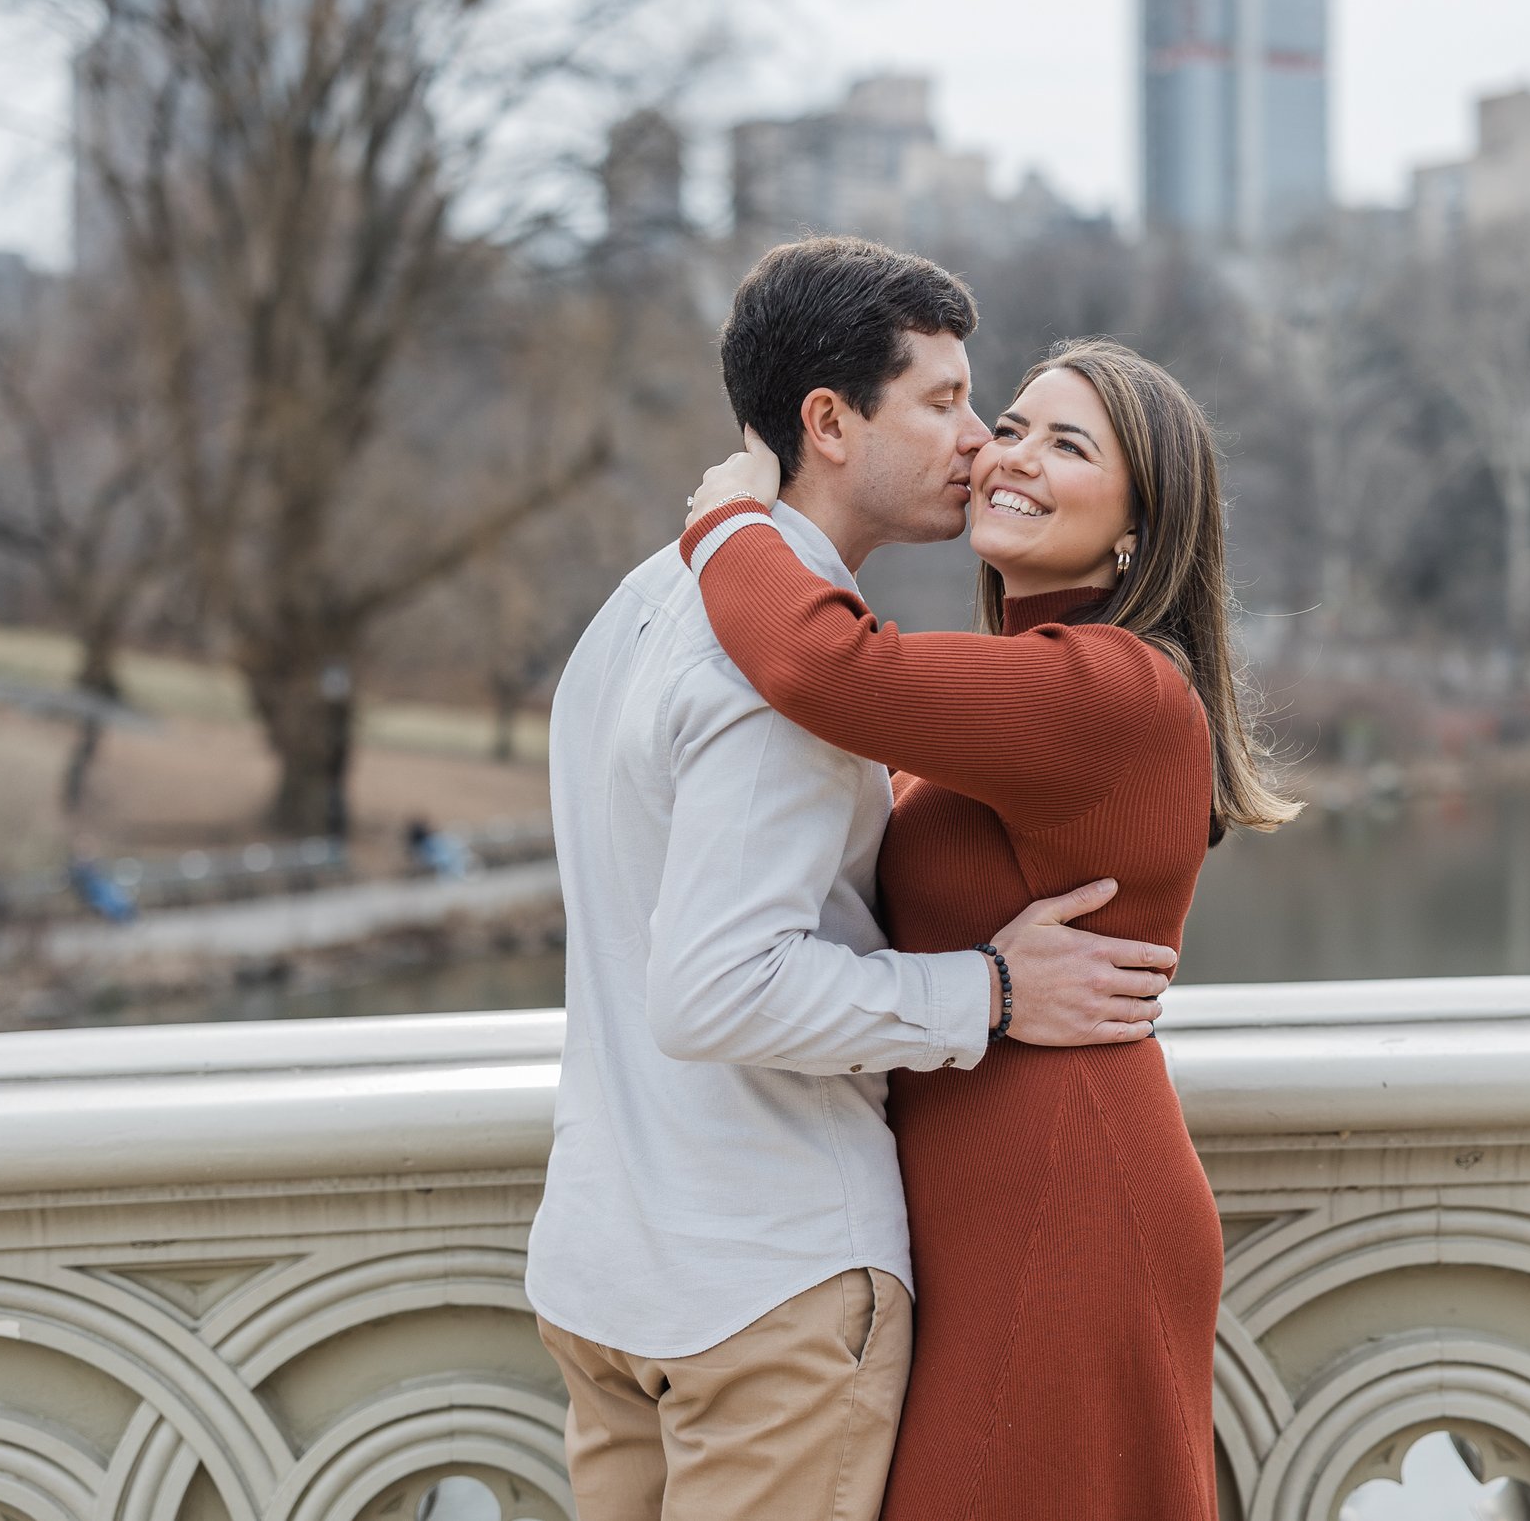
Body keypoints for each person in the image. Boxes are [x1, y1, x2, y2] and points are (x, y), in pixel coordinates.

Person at [526, 238, 1179, 1521]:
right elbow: (713, 988)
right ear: (828, 421)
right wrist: (983, 992)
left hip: (610, 1274)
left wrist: (721, 526)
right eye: (945, 402)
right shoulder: (777, 663)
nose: (980, 443)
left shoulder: (639, 608)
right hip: (765, 1282)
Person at [682, 335, 1300, 1521]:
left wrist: (728, 522)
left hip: (1062, 1202)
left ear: (1139, 528)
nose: (1009, 455)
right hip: (979, 1205)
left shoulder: (1110, 687)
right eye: (1009, 426)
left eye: (1069, 444)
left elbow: (823, 667)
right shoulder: (1040, 675)